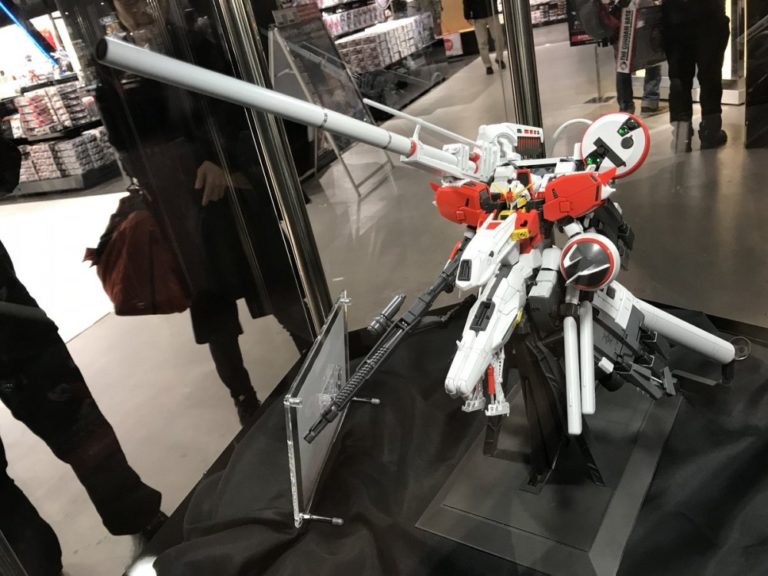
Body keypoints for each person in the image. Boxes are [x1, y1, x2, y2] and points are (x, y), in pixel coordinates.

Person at [95, 0, 313, 425]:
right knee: (214, 311)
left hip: (229, 193)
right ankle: (244, 399)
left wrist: (222, 160)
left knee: (273, 282)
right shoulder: (114, 66)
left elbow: (232, 107)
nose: (136, 9)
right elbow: (125, 142)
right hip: (178, 204)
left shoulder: (194, 45)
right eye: (125, 2)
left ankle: (315, 352)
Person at [0, 137, 165, 576]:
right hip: (13, 322)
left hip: (10, 323)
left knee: (79, 426)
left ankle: (144, 520)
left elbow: (5, 170)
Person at [663, 0, 730, 151]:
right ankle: (710, 131)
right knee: (710, 76)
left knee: (679, 78)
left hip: (676, 19)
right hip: (710, 16)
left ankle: (681, 134)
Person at [463, 0, 507, 75]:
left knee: (499, 37)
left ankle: (499, 58)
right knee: (482, 42)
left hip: (491, 12)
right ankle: (488, 65)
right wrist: (467, 15)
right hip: (477, 15)